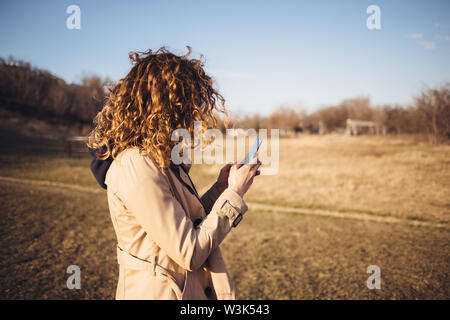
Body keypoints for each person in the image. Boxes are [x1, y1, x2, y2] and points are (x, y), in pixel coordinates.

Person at [87, 47, 260, 300]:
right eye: (188, 103)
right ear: (165, 107)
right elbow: (189, 251)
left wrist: (221, 187)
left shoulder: (157, 159)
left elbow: (185, 222)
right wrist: (234, 194)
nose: (195, 113)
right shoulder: (135, 165)